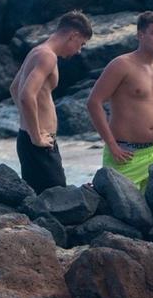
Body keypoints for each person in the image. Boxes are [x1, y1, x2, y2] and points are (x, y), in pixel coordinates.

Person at [10, 10, 94, 193]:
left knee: (45, 202)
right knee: (56, 202)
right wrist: (36, 136)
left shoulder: (37, 51)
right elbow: (25, 96)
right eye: (81, 44)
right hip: (37, 143)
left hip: (32, 140)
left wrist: (30, 125)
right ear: (74, 35)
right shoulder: (47, 56)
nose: (79, 50)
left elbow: (14, 88)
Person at [86, 11, 153, 192]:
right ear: (140, 35)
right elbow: (94, 102)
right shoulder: (121, 65)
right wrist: (112, 145)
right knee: (122, 215)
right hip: (125, 155)